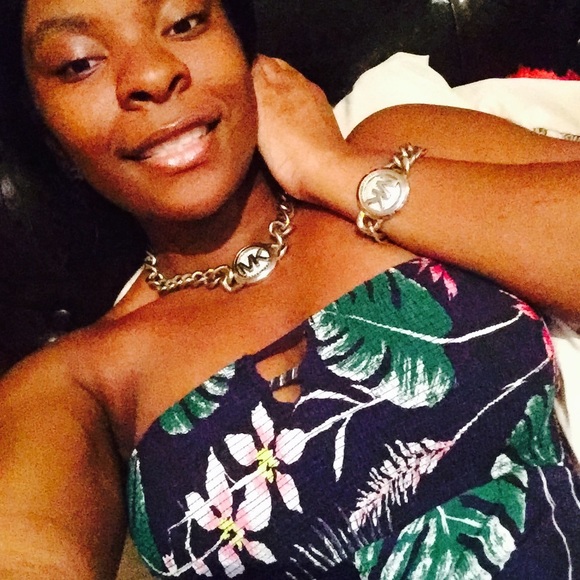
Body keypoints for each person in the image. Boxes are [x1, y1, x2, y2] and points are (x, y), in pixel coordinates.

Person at [0, 0, 579, 578]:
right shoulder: (77, 383)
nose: (152, 74)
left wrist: (330, 169)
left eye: (184, 22)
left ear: (245, 52)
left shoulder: (395, 145)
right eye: (79, 63)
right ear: (52, 140)